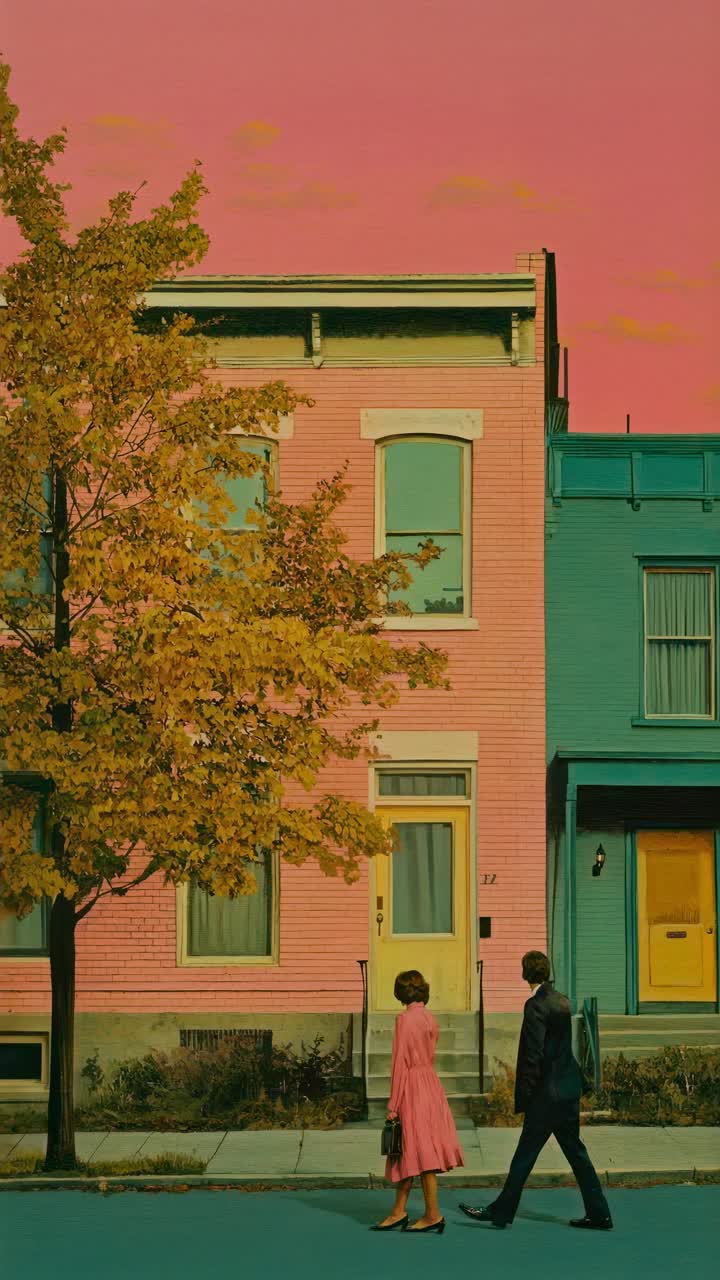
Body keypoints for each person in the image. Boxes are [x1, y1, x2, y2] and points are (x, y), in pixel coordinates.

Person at [459, 950, 613, 1231]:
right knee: (577, 1155)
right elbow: (563, 1050)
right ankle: (599, 1214)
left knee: (524, 1156)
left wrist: (527, 1096)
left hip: (546, 1096)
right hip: (566, 1092)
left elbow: (533, 1055)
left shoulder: (535, 1006)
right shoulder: (562, 1001)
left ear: (524, 974)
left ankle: (500, 1212)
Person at [371, 969, 464, 1234]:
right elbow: (429, 1055)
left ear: (400, 993)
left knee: (417, 1150)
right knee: (410, 1149)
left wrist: (393, 1104)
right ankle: (398, 1211)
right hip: (430, 1083)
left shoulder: (404, 1020)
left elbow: (400, 1063)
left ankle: (433, 1214)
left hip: (412, 1085)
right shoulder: (429, 1019)